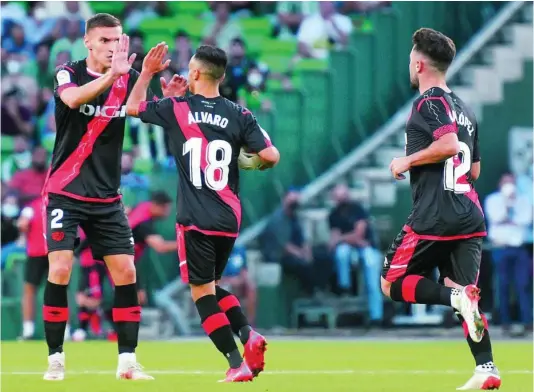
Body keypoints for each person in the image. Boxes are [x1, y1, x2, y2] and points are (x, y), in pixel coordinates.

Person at [41, 13, 184, 381]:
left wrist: (153, 80)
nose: (112, 47)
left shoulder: (128, 78)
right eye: (104, 40)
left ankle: (127, 363)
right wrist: (112, 75)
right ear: (88, 42)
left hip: (106, 198)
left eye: (117, 40)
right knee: (60, 269)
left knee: (127, 273)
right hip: (65, 192)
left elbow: (137, 109)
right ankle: (55, 358)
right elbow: (72, 100)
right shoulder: (67, 72)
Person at [125, 44, 280, 382]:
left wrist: (149, 74)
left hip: (195, 217)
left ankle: (235, 362)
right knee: (209, 286)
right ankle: (248, 334)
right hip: (228, 217)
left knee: (200, 294)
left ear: (195, 73)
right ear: (222, 77)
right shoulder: (240, 114)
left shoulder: (178, 108)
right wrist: (249, 161)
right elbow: (271, 156)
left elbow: (131, 107)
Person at [382, 28, 500, 390]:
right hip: (469, 213)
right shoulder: (465, 109)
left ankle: (454, 298)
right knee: (467, 293)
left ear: (419, 64)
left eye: (409, 61)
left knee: (391, 284)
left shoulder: (428, 103)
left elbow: (448, 144)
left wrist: (406, 161)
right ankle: (486, 368)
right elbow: (475, 170)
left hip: (435, 215)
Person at [74, 191, 177, 341]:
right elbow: (160, 247)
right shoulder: (143, 223)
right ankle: (84, 330)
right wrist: (186, 244)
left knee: (138, 297)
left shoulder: (141, 209)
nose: (168, 212)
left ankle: (117, 329)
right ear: (157, 206)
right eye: (166, 208)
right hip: (101, 256)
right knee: (92, 297)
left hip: (124, 260)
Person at [328, 184, 383, 325]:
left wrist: (342, 238)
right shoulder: (333, 215)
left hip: (367, 247)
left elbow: (360, 234)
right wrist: (347, 239)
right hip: (351, 249)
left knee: (371, 273)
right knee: (341, 252)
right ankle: (345, 286)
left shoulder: (358, 210)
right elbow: (334, 240)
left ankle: (376, 316)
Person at [485, 173, 532, 335]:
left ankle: (527, 322)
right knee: (503, 285)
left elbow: (525, 219)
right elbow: (496, 217)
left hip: (519, 248)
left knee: (523, 285)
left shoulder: (523, 200)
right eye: (506, 182)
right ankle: (505, 322)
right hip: (500, 248)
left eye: (512, 182)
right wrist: (506, 205)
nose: (509, 185)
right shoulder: (493, 200)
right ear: (500, 184)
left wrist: (512, 210)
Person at [18, 197, 48, 340]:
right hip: (54, 252)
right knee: (59, 291)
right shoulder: (61, 203)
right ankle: (64, 330)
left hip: (37, 253)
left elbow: (22, 224)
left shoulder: (32, 207)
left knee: (29, 290)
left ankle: (28, 329)